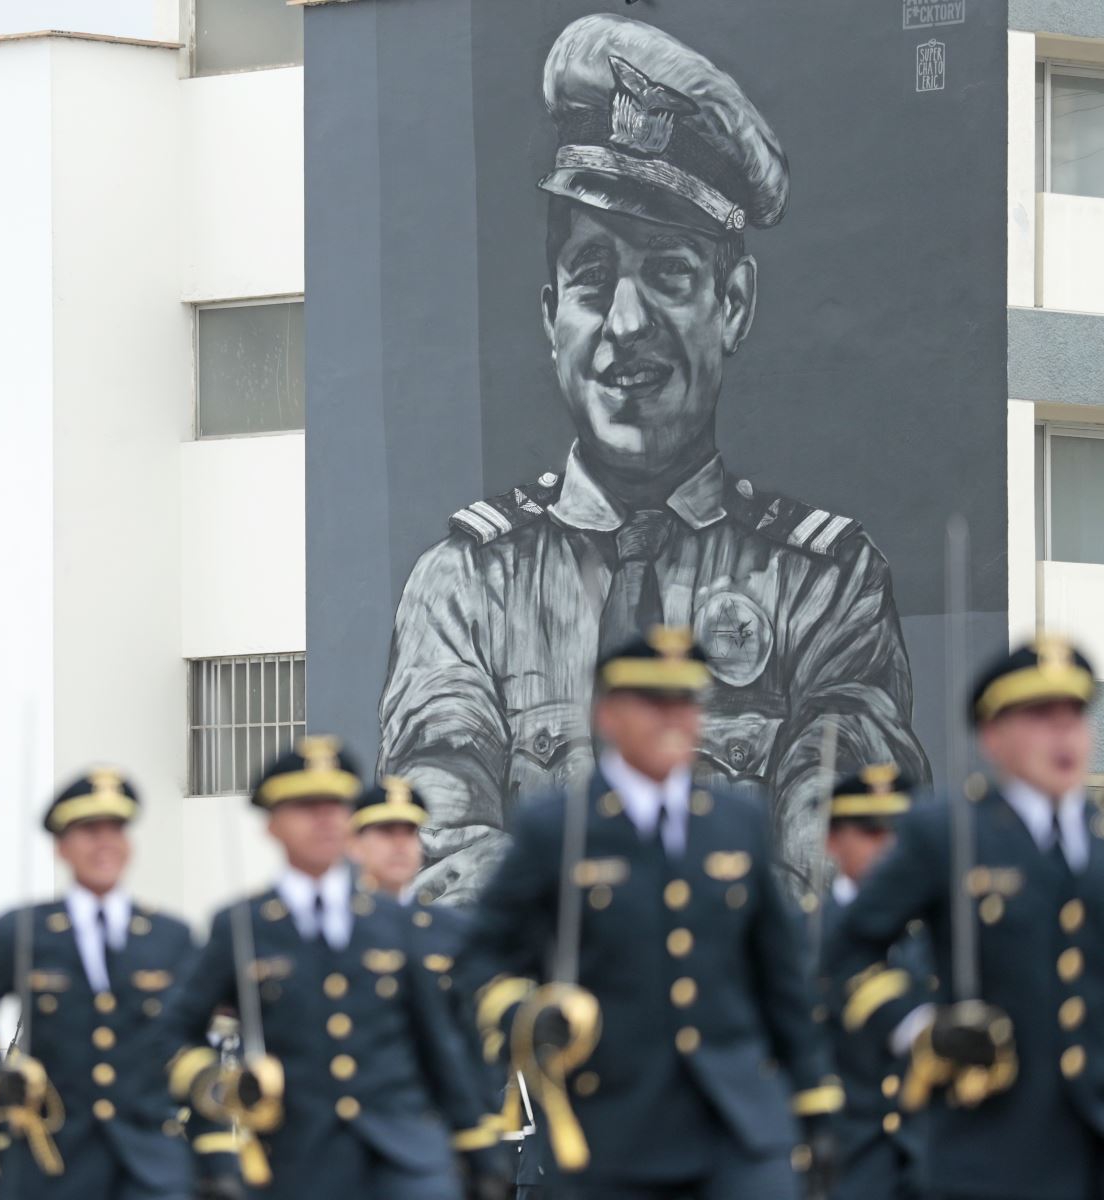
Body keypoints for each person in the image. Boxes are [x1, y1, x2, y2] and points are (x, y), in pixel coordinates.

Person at [377, 11, 926, 905]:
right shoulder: (465, 589)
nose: (625, 327)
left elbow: (844, 837)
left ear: (734, 304)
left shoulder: (827, 586)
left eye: (668, 273)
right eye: (594, 277)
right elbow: (437, 836)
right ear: (552, 313)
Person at [466, 627, 839, 1199]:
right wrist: (526, 1014)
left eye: (686, 702)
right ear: (610, 715)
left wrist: (814, 1106)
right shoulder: (557, 831)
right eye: (653, 703)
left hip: (738, 1128)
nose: (673, 719)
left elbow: (779, 977)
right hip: (611, 1129)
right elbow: (479, 966)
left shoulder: (734, 822)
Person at [160, 737, 511, 1200]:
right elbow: (173, 1034)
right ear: (272, 824)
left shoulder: (396, 923)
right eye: (307, 805)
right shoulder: (243, 928)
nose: (325, 817)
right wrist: (216, 1107)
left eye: (336, 803)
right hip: (297, 1162)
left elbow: (436, 1040)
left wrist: (478, 1145)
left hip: (408, 1159)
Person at [827, 635, 1104, 1200]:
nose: (1063, 733)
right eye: (1039, 716)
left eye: (1074, 714)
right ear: (992, 736)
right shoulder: (949, 833)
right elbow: (845, 951)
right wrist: (920, 1026)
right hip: (990, 1146)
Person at [0, 769, 206, 1199]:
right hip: (52, 1154)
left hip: (150, 1156)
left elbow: (190, 1036)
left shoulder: (170, 936)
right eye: (89, 831)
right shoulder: (25, 932)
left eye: (116, 829)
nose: (105, 843)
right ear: (62, 846)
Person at [348, 778, 540, 1198]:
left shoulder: (455, 934)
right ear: (355, 845)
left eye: (408, 832)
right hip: (351, 1139)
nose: (400, 845)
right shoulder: (330, 931)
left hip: (438, 1141)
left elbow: (475, 1039)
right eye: (384, 833)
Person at [813, 765, 929, 1200]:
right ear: (831, 840)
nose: (888, 847)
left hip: (932, 1158)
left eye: (898, 833)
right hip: (840, 1154)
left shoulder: (941, 936)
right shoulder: (802, 935)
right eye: (869, 832)